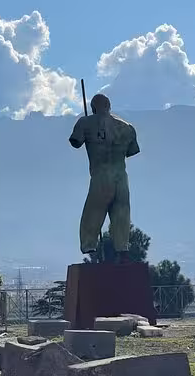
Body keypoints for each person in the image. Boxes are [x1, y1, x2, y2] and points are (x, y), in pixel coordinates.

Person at [69, 93, 140, 263]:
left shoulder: (85, 123)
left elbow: (75, 142)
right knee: (121, 214)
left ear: (93, 108)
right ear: (109, 106)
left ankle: (89, 245)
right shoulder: (127, 127)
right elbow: (132, 151)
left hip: (101, 176)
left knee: (93, 212)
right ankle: (122, 249)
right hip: (121, 178)